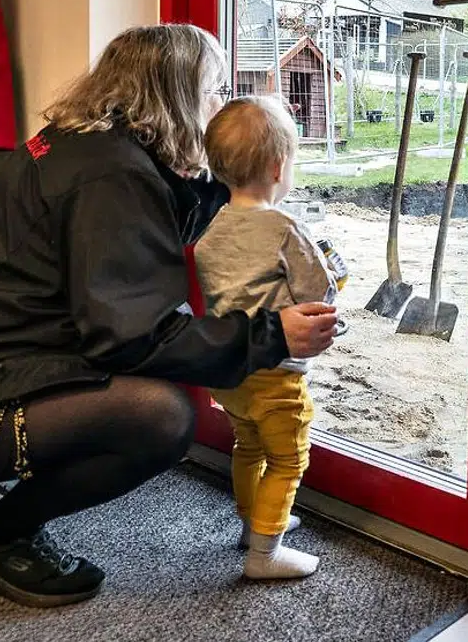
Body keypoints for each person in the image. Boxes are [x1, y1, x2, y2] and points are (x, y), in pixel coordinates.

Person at [0, 24, 340, 608]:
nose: (218, 108)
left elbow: (136, 249)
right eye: (213, 90)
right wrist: (271, 335)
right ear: (176, 95)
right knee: (160, 417)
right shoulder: (111, 177)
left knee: (147, 393)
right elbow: (133, 336)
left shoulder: (84, 145)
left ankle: (14, 503)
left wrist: (230, 191)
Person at [194, 96, 344, 581]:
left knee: (248, 446)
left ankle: (251, 524)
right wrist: (337, 281)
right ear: (280, 167)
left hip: (231, 367)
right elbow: (316, 292)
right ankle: (265, 553)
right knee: (288, 458)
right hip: (278, 376)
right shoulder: (285, 227)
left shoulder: (211, 227)